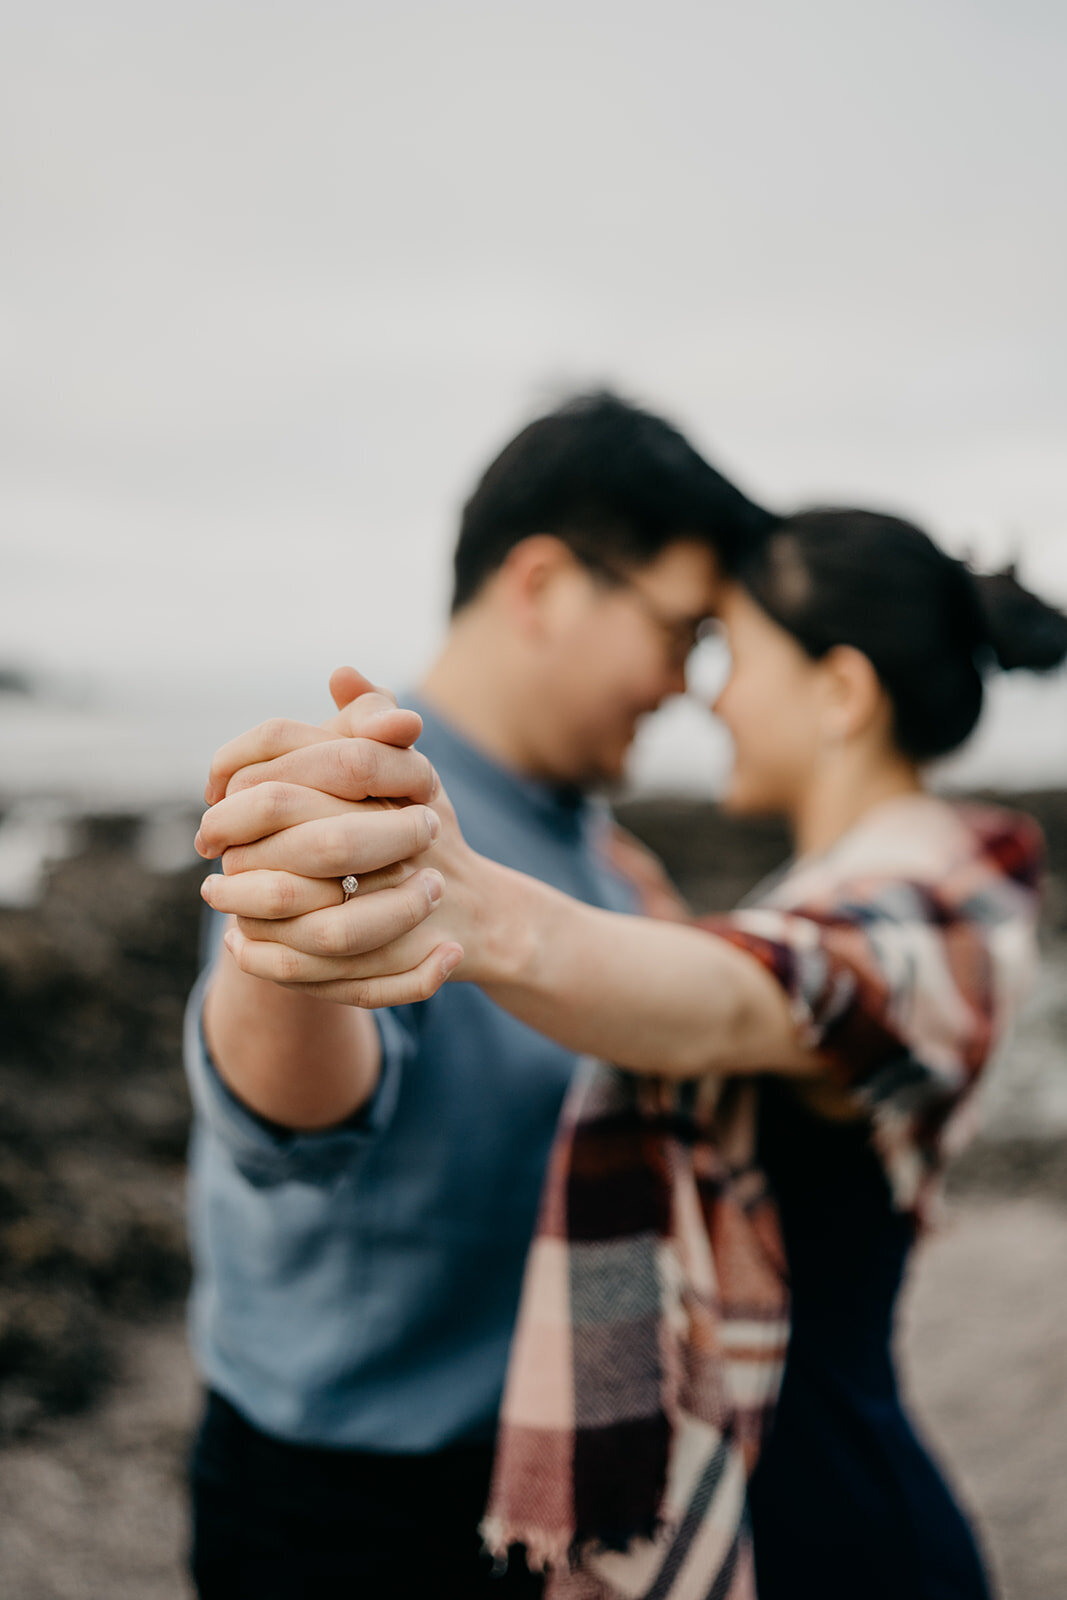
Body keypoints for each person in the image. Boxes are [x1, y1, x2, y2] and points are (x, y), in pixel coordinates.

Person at [202, 508, 1067, 1598]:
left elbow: (761, 989)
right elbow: (730, 975)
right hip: (758, 1492)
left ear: (839, 692)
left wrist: (477, 907)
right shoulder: (808, 891)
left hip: (825, 1531)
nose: (707, 691)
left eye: (733, 652)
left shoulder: (939, 904)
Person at [184, 390, 771, 1598]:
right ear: (544, 583)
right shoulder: (371, 809)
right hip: (351, 1503)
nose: (684, 682)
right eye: (678, 630)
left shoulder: (591, 839)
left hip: (552, 1463)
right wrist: (288, 928)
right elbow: (286, 1121)